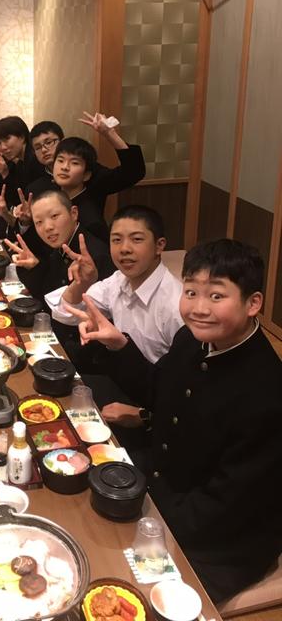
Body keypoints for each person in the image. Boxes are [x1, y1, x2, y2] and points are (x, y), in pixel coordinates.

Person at [66, 239, 282, 603]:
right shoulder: (191, 340)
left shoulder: (268, 391)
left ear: (253, 303)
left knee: (125, 593)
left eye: (216, 296)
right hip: (163, 484)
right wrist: (119, 345)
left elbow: (229, 503)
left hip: (221, 539)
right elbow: (158, 391)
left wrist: (147, 518)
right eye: (191, 292)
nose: (199, 308)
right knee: (77, 506)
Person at [46, 205, 183, 441]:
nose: (124, 249)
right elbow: (65, 312)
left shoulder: (175, 305)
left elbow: (188, 389)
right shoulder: (120, 280)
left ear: (159, 245)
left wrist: (144, 416)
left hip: (158, 410)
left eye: (136, 239)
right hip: (124, 382)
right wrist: (82, 283)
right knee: (53, 394)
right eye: (116, 240)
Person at [4, 190, 113, 353]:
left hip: (82, 349)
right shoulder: (61, 244)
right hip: (54, 333)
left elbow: (92, 325)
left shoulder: (94, 255)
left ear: (74, 213)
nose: (48, 227)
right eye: (39, 222)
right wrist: (34, 267)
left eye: (54, 216)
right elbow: (48, 296)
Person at [0, 116, 45, 208]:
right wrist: (4, 173)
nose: (3, 147)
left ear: (22, 137)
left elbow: (22, 201)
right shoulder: (19, 162)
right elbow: (16, 199)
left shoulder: (35, 158)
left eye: (7, 139)